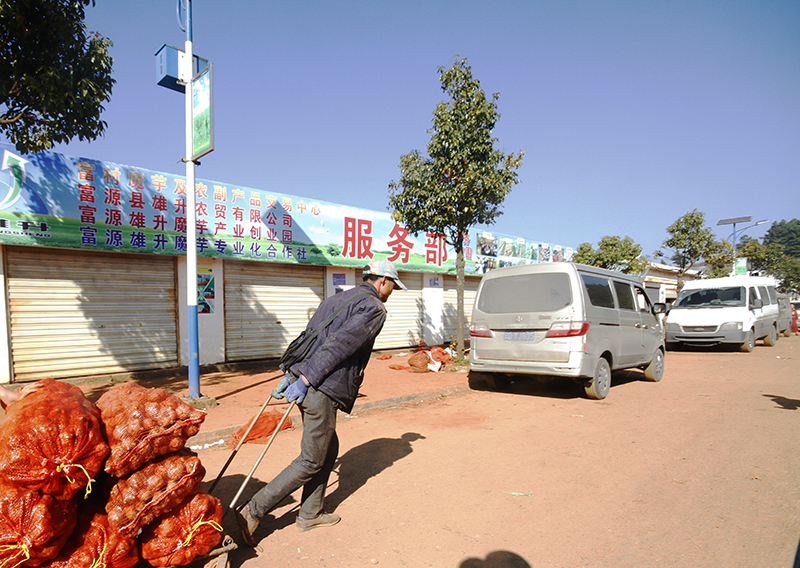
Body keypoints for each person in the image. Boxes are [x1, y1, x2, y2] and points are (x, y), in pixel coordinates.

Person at [236, 258, 406, 546]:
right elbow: (338, 346)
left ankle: (310, 513)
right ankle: (253, 510)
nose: (392, 292)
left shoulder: (336, 299)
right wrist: (304, 379)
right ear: (383, 281)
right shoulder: (374, 308)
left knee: (329, 448)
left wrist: (291, 372)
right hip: (319, 386)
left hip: (306, 380)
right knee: (311, 460)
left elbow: (309, 338)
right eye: (393, 287)